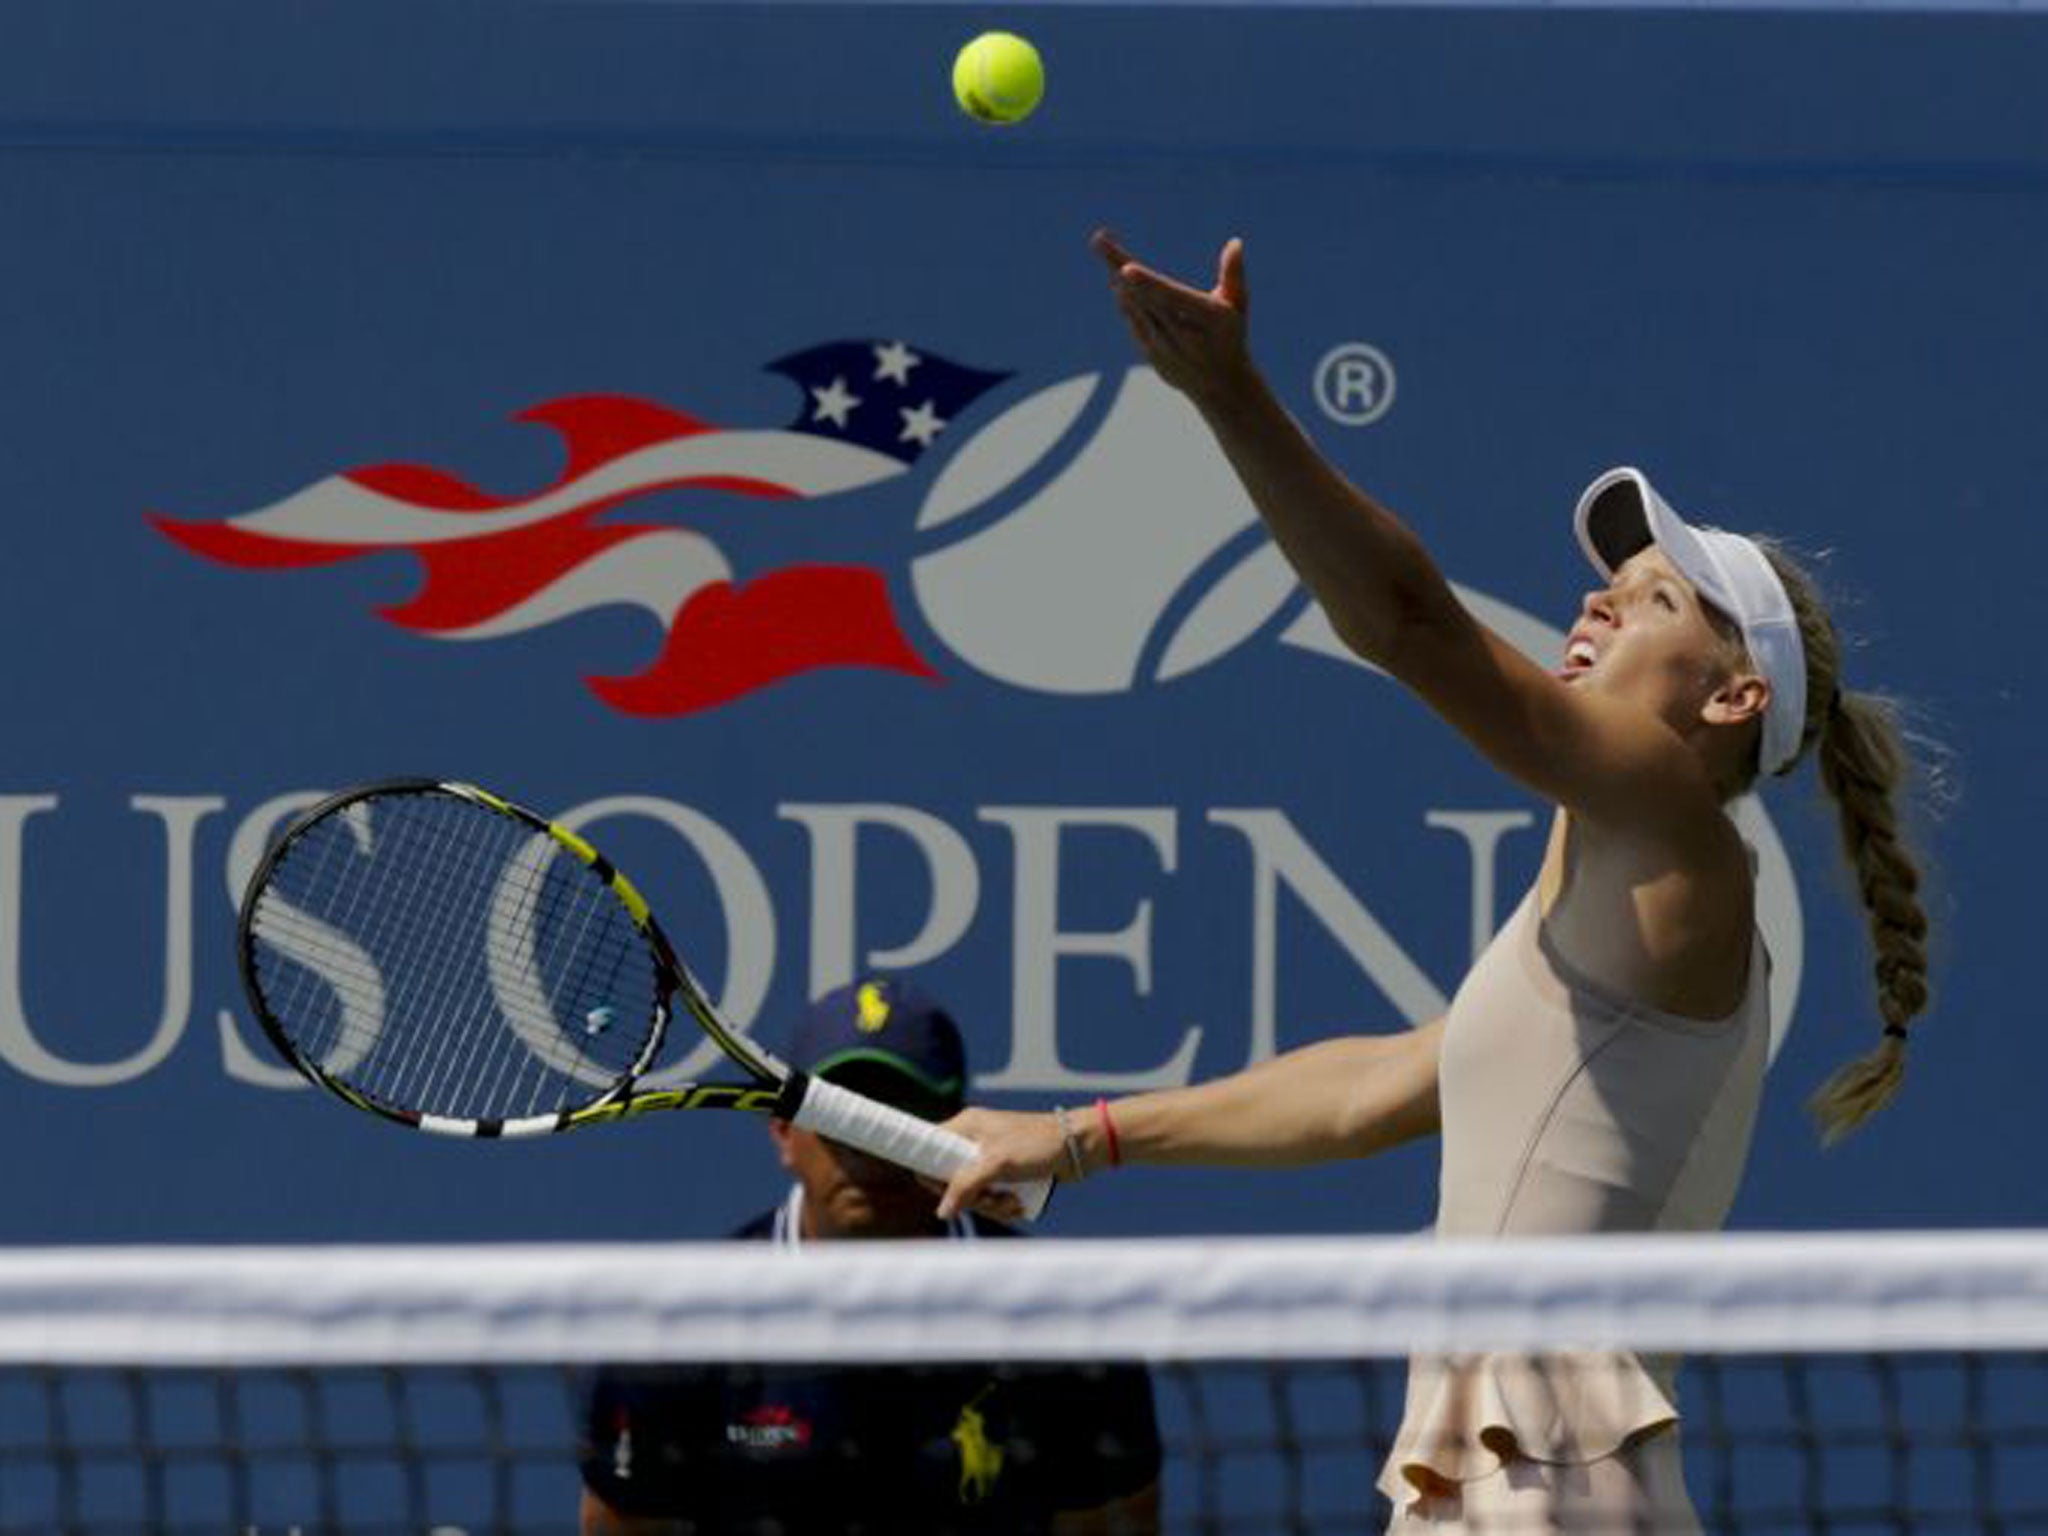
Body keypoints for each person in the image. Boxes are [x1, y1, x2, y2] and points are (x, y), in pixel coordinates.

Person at [937, 232, 1933, 1534]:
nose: (1595, 607)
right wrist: (1077, 1137)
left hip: (1554, 1483)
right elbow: (1369, 1092)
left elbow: (1410, 622)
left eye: (1650, 601)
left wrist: (1230, 399)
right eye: (1603, 586)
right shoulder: (1599, 894)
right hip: (1500, 1479)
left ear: (1736, 696)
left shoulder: (1681, 836)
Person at [578, 975, 1164, 1536]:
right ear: (784, 1133)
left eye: (895, 1121)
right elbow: (625, 1526)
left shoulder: (1069, 1332)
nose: (866, 1153)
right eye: (839, 1117)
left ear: (960, 1135)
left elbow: (1110, 1525)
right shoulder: (676, 1333)